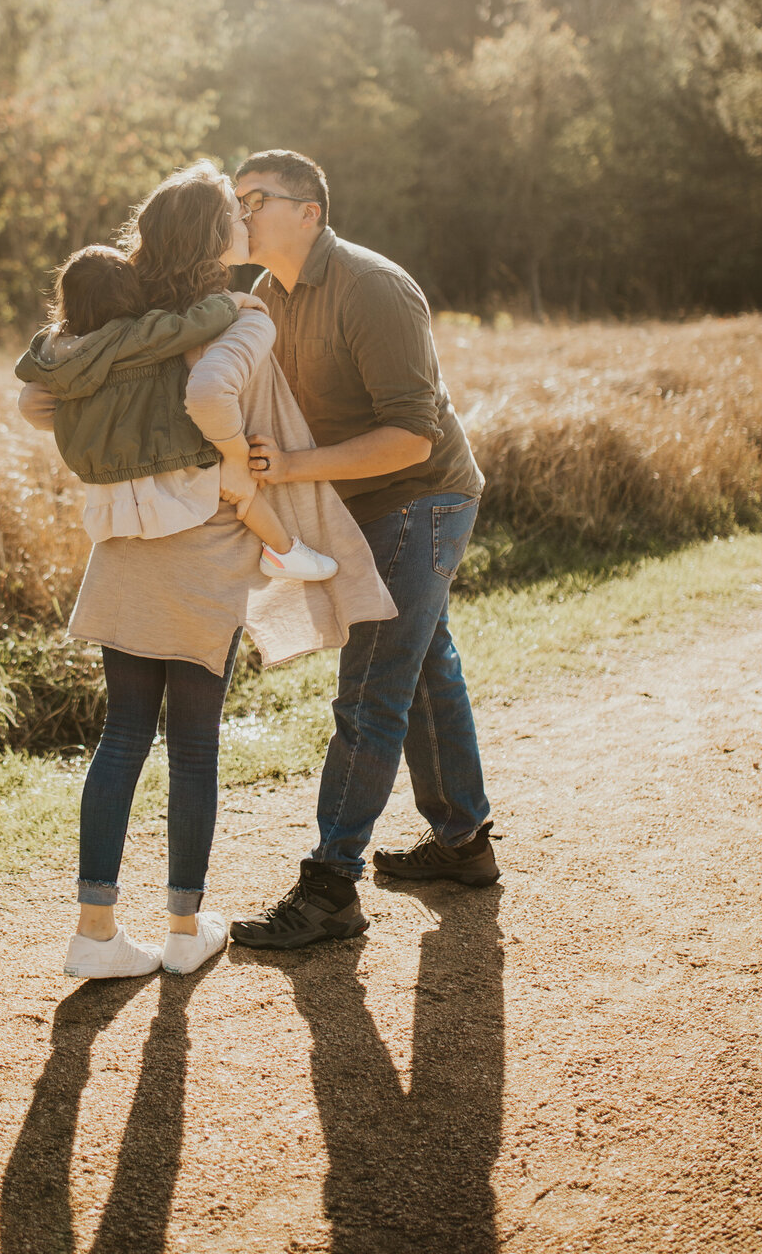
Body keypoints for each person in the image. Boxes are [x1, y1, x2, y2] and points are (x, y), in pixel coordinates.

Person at [16, 161, 395, 982]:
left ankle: (95, 931)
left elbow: (37, 402)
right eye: (235, 213)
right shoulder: (239, 317)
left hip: (122, 544)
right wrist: (235, 462)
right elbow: (210, 395)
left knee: (121, 736)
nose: (246, 221)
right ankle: (185, 929)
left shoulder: (125, 314)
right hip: (204, 545)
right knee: (192, 746)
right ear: (212, 237)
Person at [227, 149, 497, 956]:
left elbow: (412, 435)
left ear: (309, 211)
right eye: (234, 198)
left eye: (256, 198)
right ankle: (462, 844)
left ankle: (331, 886)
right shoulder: (265, 297)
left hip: (424, 500)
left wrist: (298, 468)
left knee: (374, 688)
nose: (239, 211)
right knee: (422, 672)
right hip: (363, 508)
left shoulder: (372, 288)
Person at [17, 241, 339, 582]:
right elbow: (191, 324)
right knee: (235, 481)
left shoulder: (51, 349)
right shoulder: (136, 336)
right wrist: (235, 301)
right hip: (162, 459)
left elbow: (29, 387)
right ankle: (283, 551)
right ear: (128, 293)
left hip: (103, 480)